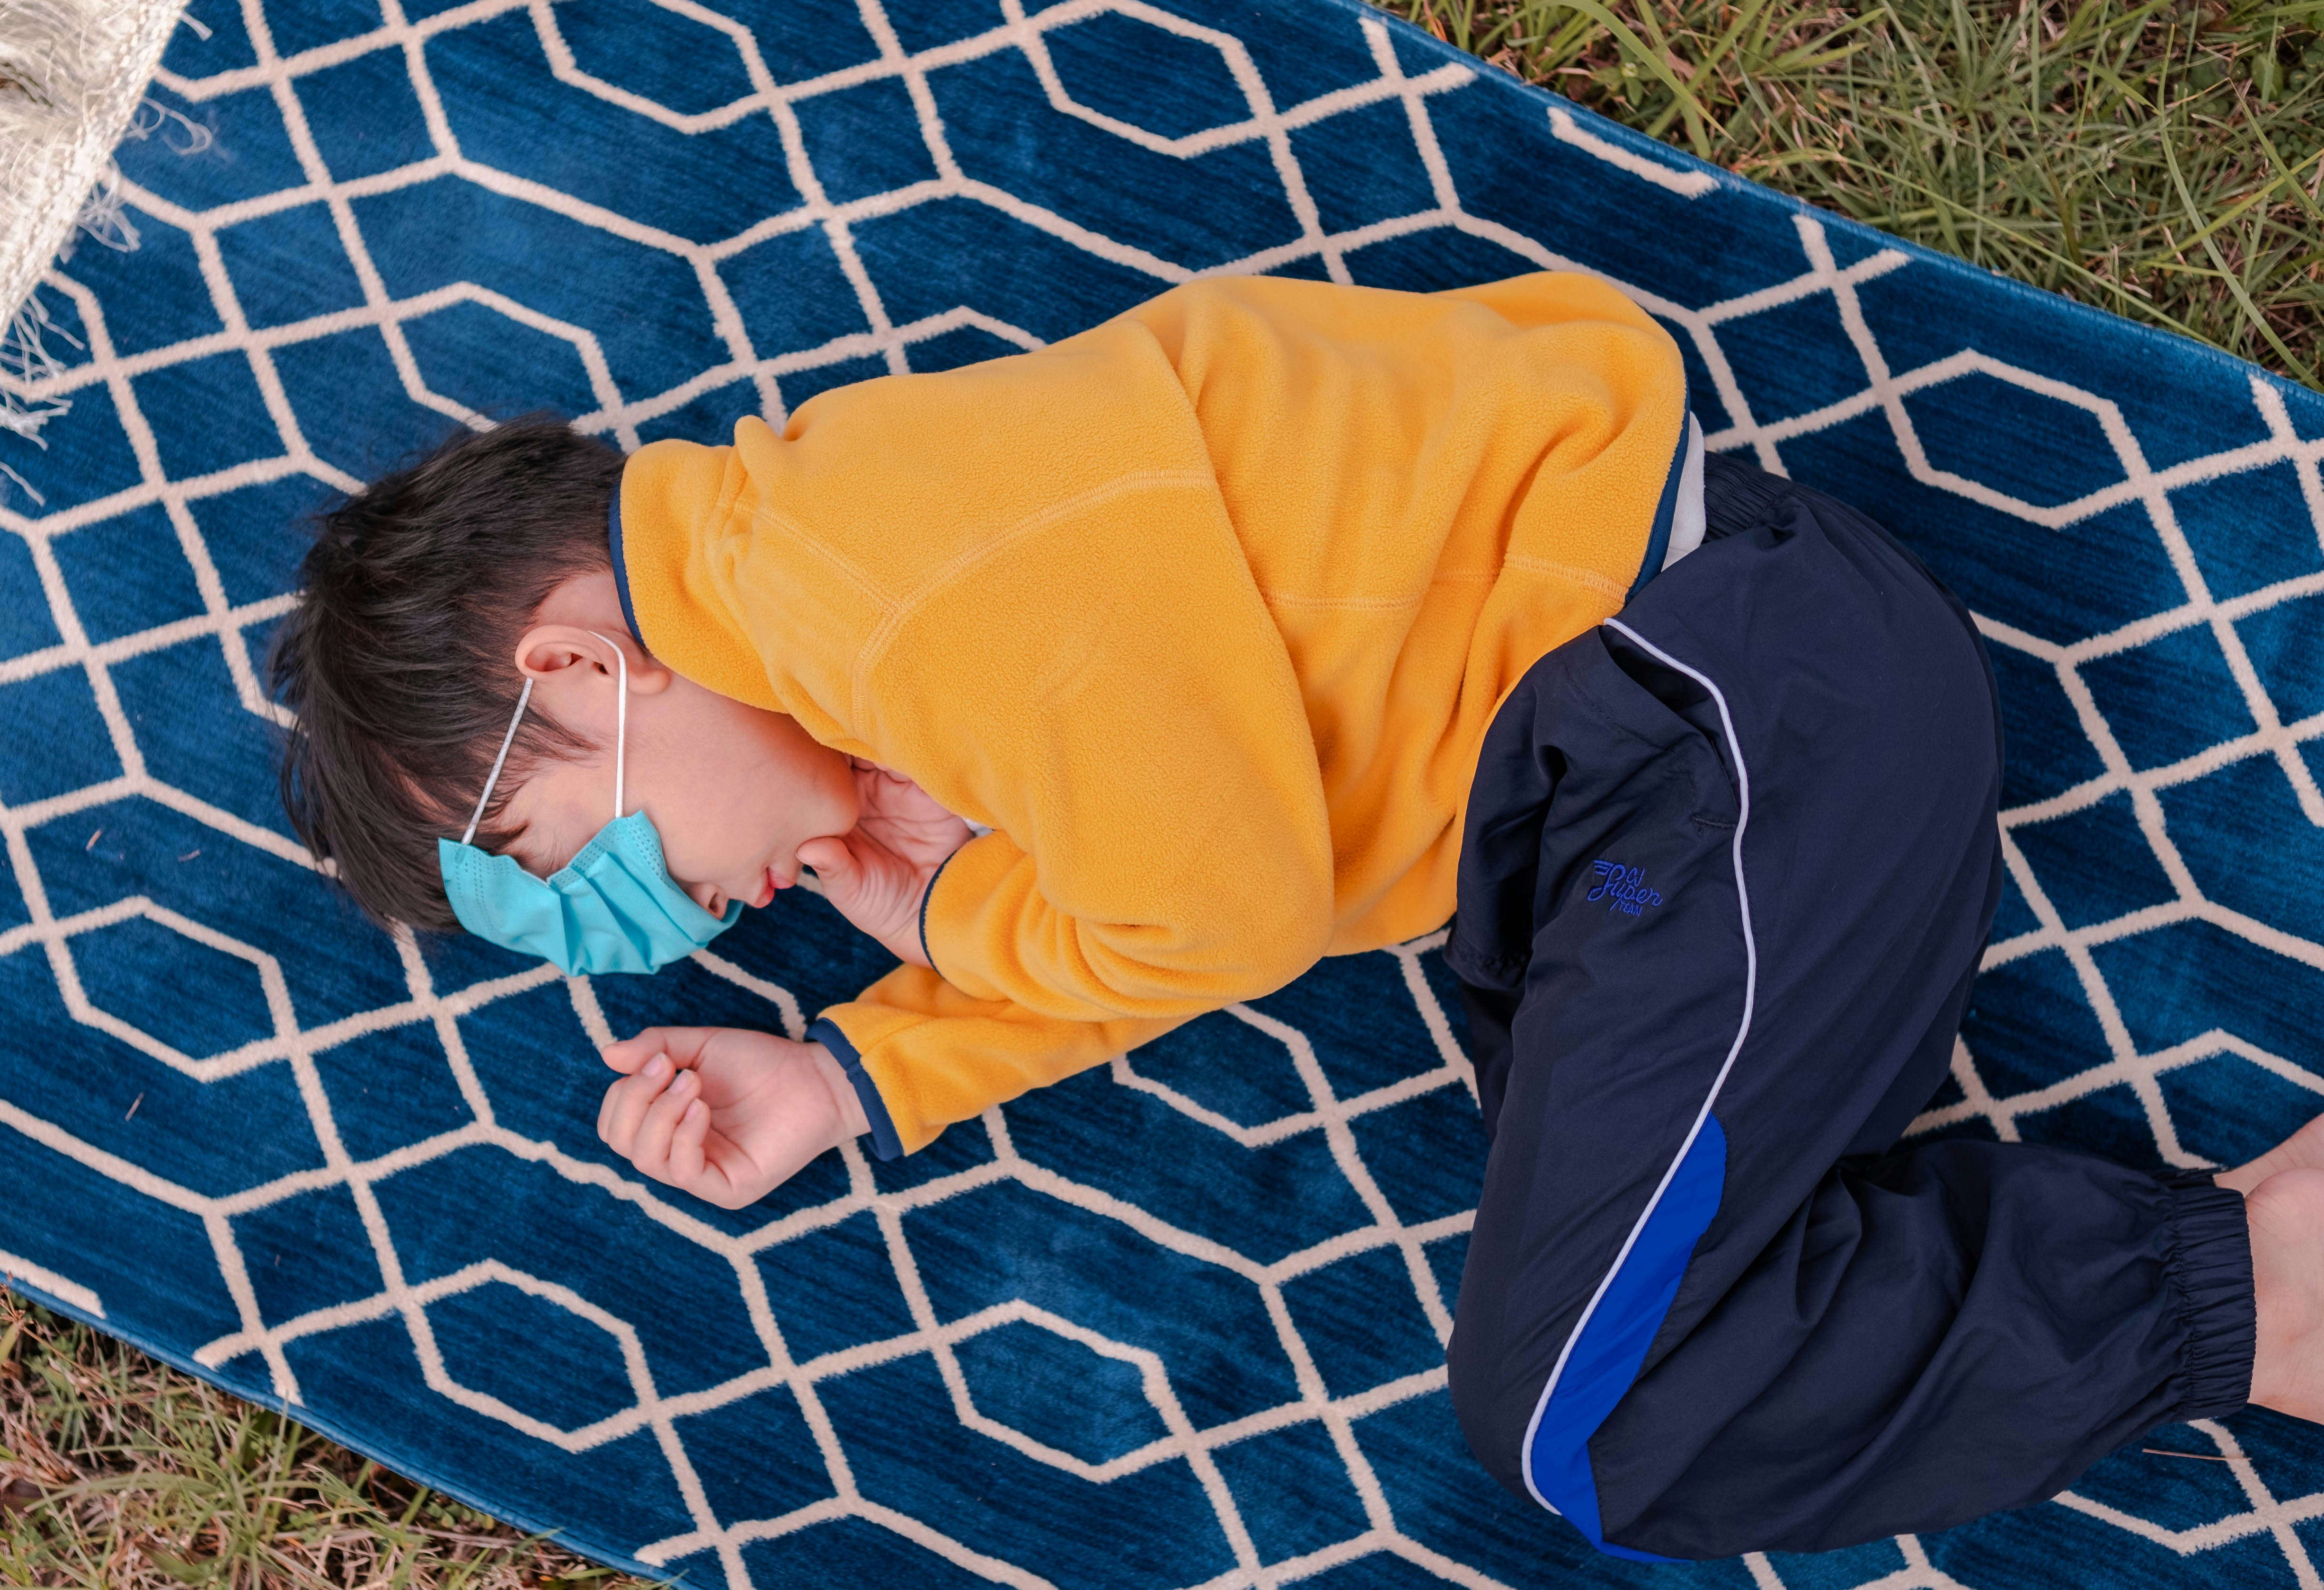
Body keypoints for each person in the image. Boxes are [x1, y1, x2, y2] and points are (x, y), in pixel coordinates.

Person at [266, 271, 2306, 1559]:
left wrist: (965, 927)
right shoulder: (841, 615)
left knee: (1592, 1417)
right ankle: (2221, 1270)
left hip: (1720, 707)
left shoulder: (857, 576)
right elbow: (1155, 887)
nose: (653, 926)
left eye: (556, 861)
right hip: (1595, 814)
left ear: (578, 668)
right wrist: (861, 1061)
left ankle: (2249, 1281)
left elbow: (1205, 914)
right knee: (1629, 1352)